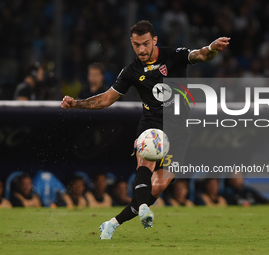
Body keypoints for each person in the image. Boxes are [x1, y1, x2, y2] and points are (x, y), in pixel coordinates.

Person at [61, 20, 230, 239]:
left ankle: (113, 223)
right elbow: (105, 99)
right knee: (147, 158)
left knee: (158, 186)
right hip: (151, 124)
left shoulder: (173, 55)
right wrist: (77, 103)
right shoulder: (131, 71)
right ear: (132, 43)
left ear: (154, 40)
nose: (141, 49)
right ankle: (143, 208)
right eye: (137, 44)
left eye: (145, 43)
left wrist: (211, 49)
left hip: (178, 130)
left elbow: (200, 55)